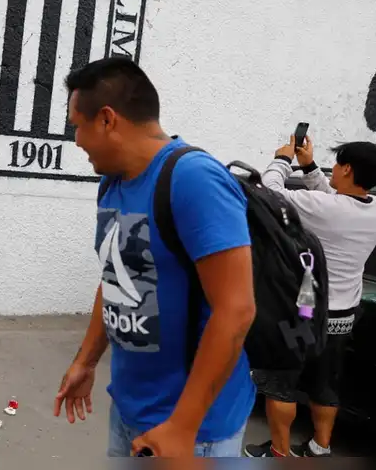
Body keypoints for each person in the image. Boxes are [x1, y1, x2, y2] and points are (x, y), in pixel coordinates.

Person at [53, 57, 257, 457]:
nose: (76, 140)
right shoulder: (112, 184)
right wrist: (86, 361)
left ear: (107, 119)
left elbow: (236, 310)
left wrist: (182, 427)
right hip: (130, 411)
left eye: (78, 126)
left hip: (194, 431)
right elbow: (115, 277)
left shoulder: (194, 178)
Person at [244, 134, 376, 457]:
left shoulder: (325, 208)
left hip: (305, 312)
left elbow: (270, 193)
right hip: (343, 315)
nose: (333, 171)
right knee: (325, 384)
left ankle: (280, 454)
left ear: (348, 169)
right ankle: (319, 448)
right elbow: (333, 198)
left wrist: (282, 160)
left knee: (280, 382)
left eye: (337, 164)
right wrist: (309, 165)